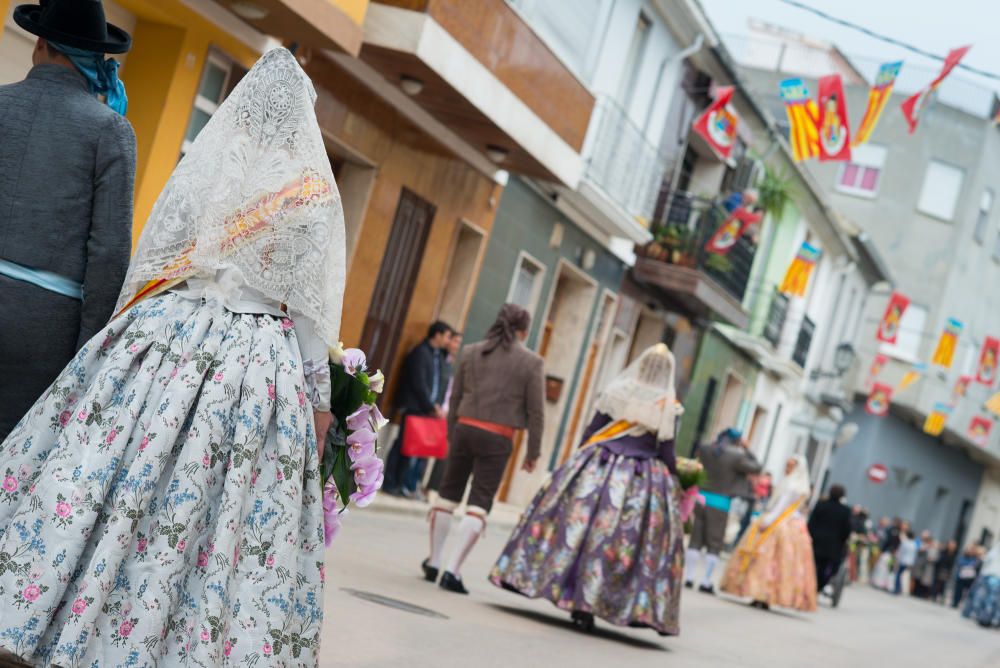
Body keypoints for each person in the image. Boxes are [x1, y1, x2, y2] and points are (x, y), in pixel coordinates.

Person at [0, 48, 345, 665]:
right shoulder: (311, 194)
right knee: (211, 510)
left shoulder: (208, 166)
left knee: (114, 483)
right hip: (254, 359)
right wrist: (319, 401)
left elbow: (152, 256)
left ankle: (57, 609)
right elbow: (312, 311)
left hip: (165, 335)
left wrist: (115, 339)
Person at [0, 0, 136, 440]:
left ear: (40, 44)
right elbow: (109, 256)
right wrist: (88, 354)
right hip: (45, 333)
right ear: (96, 61)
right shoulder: (110, 130)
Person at [490, 344, 686, 635]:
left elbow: (593, 430)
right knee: (626, 538)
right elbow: (666, 452)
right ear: (668, 373)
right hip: (640, 474)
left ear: (641, 365)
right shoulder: (668, 405)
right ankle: (603, 601)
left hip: (597, 464)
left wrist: (576, 464)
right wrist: (676, 478)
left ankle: (548, 580)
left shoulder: (618, 391)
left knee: (575, 527)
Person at [423, 304, 544, 594]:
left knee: (447, 495)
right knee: (479, 502)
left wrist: (453, 432)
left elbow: (457, 396)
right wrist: (533, 452)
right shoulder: (531, 363)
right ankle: (452, 570)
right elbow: (536, 412)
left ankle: (434, 562)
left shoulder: (470, 351)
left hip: (464, 427)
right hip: (498, 437)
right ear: (523, 331)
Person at [720, 455, 817, 612]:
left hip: (779, 522)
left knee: (766, 559)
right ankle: (771, 595)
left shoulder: (791, 485)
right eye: (787, 465)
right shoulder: (801, 486)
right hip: (792, 524)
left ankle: (761, 592)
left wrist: (767, 521)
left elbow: (781, 507)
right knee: (784, 563)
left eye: (791, 466)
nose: (787, 468)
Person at [684, 429, 762, 594]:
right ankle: (706, 581)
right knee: (714, 543)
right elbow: (757, 467)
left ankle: (689, 578)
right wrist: (747, 449)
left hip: (700, 499)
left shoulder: (705, 449)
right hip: (720, 503)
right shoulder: (737, 457)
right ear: (737, 440)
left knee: (695, 539)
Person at [383, 321, 453, 496]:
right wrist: (431, 406)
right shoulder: (420, 353)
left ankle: (399, 484)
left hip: (426, 409)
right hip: (415, 407)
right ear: (437, 335)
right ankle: (390, 483)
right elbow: (419, 383)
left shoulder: (436, 356)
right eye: (447, 336)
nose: (448, 340)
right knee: (403, 445)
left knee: (412, 448)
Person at [808, 484, 852, 591]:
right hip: (833, 546)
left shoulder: (821, 505)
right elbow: (846, 530)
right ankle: (819, 586)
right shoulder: (845, 510)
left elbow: (811, 523)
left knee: (813, 565)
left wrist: (812, 535)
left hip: (816, 542)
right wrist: (842, 541)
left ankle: (811, 584)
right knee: (828, 568)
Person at [963, 542, 1000, 628]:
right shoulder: (994, 551)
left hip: (990, 576)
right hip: (992, 577)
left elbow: (987, 560)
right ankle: (987, 618)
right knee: (991, 599)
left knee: (987, 598)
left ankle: (984, 618)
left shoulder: (994, 551)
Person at [953, 544, 985, 609]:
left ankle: (964, 605)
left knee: (967, 592)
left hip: (969, 578)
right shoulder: (963, 557)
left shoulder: (976, 559)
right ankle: (955, 603)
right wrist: (969, 566)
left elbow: (977, 567)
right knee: (958, 590)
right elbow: (960, 563)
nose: (971, 551)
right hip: (961, 576)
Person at [894, 527, 918, 595]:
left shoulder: (905, 543)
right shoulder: (914, 544)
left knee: (898, 575)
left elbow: (900, 552)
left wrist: (897, 560)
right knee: (903, 575)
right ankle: (901, 589)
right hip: (910, 562)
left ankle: (897, 589)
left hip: (903, 561)